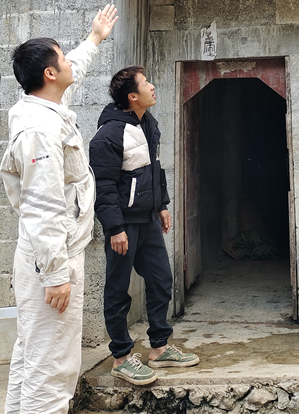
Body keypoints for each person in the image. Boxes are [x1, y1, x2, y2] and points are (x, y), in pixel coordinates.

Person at [1, 4, 118, 414]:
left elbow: (75, 70)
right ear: (50, 74)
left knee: (34, 352)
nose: (70, 63)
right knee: (53, 364)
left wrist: (95, 37)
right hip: (52, 256)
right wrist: (55, 274)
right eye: (62, 59)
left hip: (52, 251)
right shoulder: (40, 129)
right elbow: (42, 205)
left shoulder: (44, 106)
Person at [90, 66, 199, 386]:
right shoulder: (109, 135)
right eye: (146, 83)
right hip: (124, 224)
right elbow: (103, 187)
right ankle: (121, 358)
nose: (153, 86)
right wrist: (114, 228)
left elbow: (154, 169)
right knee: (118, 289)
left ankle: (159, 348)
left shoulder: (147, 122)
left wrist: (161, 205)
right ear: (132, 96)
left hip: (148, 219)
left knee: (161, 280)